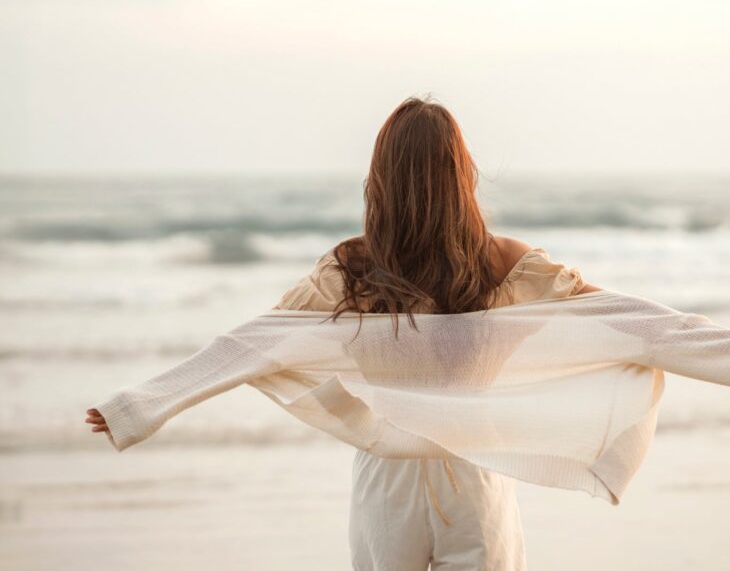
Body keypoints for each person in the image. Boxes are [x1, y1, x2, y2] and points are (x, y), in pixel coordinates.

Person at [87, 95, 601, 570]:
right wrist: (685, 338)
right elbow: (620, 317)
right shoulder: (502, 261)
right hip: (475, 479)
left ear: (381, 176)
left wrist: (141, 406)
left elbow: (252, 343)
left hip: (387, 483)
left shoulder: (352, 266)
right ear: (460, 172)